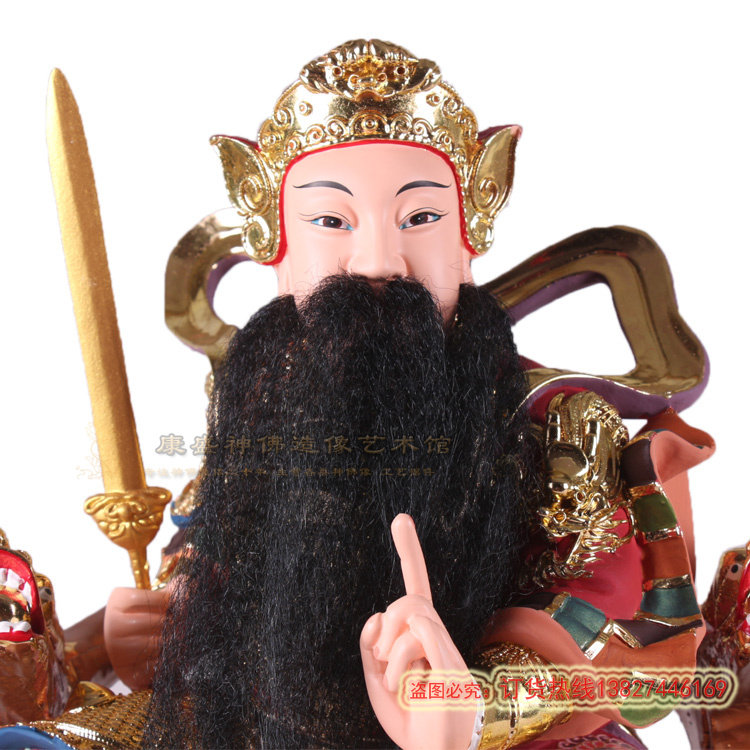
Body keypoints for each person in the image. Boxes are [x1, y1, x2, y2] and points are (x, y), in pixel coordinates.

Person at [0, 39, 727, 749]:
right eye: (331, 222)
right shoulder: (266, 411)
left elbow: (602, 612)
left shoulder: (555, 425)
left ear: (467, 239)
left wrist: (468, 704)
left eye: (420, 219)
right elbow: (211, 565)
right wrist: (158, 629)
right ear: (278, 250)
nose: (378, 260)